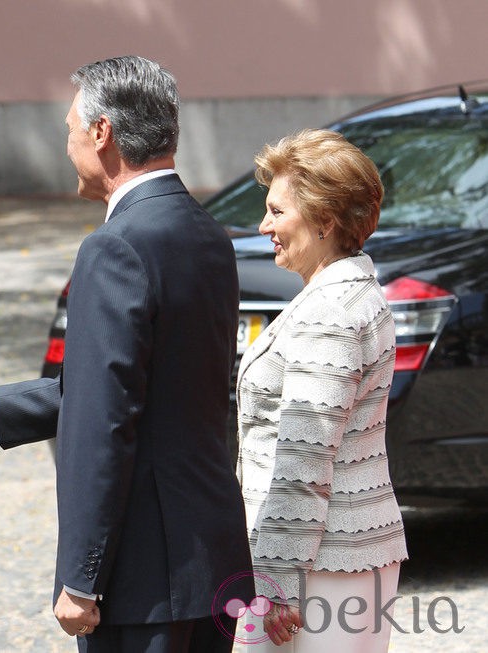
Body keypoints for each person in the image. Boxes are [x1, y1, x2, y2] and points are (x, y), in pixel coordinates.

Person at [0, 56, 254, 652]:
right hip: (208, 556)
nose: (67, 142)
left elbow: (105, 421)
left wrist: (81, 577)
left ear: (103, 133)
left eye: (70, 127)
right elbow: (139, 388)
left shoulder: (115, 248)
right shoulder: (207, 232)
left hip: (146, 573)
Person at [234, 129, 409, 650]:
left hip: (319, 570)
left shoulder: (329, 312)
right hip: (342, 558)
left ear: (325, 221)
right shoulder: (355, 292)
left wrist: (277, 583)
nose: (264, 226)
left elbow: (305, 455)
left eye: (276, 212)